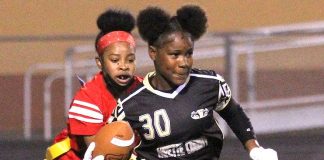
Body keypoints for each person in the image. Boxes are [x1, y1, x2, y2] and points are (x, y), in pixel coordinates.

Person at [96, 5, 278, 160]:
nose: (184, 62)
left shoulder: (210, 84)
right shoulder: (130, 104)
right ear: (153, 53)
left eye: (188, 53)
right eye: (175, 55)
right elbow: (111, 142)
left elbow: (232, 112)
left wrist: (254, 149)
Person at [45, 8, 142, 160]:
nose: (124, 66)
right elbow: (100, 152)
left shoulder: (144, 89)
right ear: (99, 63)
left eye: (130, 59)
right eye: (115, 60)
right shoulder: (87, 99)